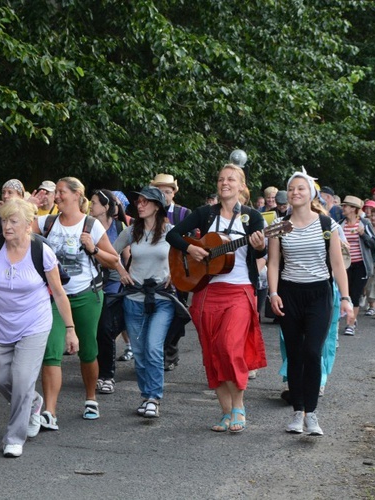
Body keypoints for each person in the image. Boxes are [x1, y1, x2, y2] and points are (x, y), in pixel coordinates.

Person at [0, 198, 75, 457]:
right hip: (0, 324)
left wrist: (70, 329)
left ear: (28, 224)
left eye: (13, 221)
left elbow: (59, 294)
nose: (6, 226)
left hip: (34, 324)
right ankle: (34, 402)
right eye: (4, 220)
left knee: (22, 379)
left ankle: (14, 438)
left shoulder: (41, 251)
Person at [167, 164, 267, 433]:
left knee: (229, 346)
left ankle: (239, 406)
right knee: (212, 352)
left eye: (231, 179)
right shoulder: (204, 214)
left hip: (239, 290)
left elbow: (259, 255)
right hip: (206, 290)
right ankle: (225, 412)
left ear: (241, 186)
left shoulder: (252, 218)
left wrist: (260, 247)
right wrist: (192, 249)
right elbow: (172, 235)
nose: (225, 183)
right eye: (221, 179)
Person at [268, 170, 353, 436]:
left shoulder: (328, 225)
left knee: (313, 352)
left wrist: (347, 298)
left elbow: (338, 265)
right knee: (294, 354)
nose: (295, 193)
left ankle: (312, 414)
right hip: (289, 293)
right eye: (291, 189)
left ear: (312, 193)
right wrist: (273, 293)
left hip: (319, 294)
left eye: (301, 188)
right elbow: (273, 263)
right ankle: (297, 412)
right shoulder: (278, 226)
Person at [32, 177, 120, 428]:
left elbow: (113, 261)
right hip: (54, 297)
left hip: (86, 296)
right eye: (56, 192)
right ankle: (49, 411)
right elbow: (15, 226)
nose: (56, 196)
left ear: (76, 195)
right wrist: (29, 203)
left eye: (61, 192)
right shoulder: (46, 222)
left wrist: (93, 249)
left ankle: (91, 398)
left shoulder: (91, 225)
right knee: (51, 352)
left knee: (88, 350)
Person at [114, 186, 185, 418]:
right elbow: (110, 253)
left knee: (154, 347)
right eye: (139, 201)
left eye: (146, 201)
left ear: (158, 206)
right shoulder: (131, 230)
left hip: (162, 299)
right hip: (133, 297)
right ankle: (146, 396)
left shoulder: (171, 231)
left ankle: (154, 397)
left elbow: (187, 258)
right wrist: (119, 269)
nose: (140, 205)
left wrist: (175, 274)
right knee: (140, 351)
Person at [149, 173, 190, 371]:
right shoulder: (149, 212)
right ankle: (157, 353)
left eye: (167, 191)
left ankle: (170, 351)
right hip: (153, 271)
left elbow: (189, 244)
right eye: (160, 191)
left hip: (178, 271)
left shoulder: (184, 214)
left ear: (174, 193)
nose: (164, 195)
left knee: (178, 313)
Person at [90, 189, 128, 395]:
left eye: (94, 203)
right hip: (93, 281)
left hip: (113, 281)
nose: (90, 206)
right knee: (95, 329)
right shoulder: (87, 225)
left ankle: (107, 375)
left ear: (105, 207)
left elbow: (125, 255)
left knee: (106, 328)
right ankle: (94, 369)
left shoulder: (119, 226)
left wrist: (124, 275)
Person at [339, 195, 375, 336]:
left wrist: (363, 235)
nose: (343, 208)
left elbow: (374, 244)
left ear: (353, 209)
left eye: (345, 206)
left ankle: (351, 324)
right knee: (346, 294)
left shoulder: (364, 224)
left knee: (354, 294)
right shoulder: (340, 224)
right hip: (345, 265)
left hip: (361, 265)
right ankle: (351, 319)